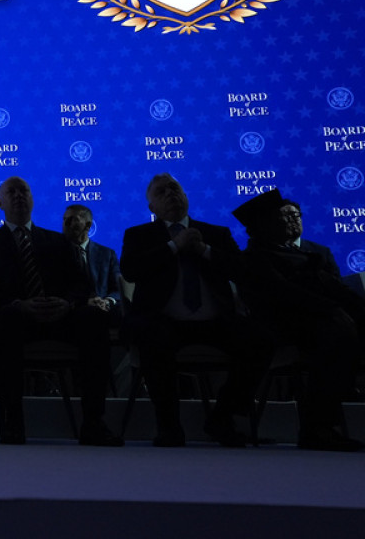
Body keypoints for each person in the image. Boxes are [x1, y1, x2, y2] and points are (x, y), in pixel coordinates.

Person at [120, 173, 273, 447]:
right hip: (163, 321)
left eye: (174, 188)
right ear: (151, 207)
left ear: (186, 197)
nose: (170, 194)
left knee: (261, 339)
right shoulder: (138, 235)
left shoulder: (216, 233)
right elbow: (131, 270)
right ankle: (169, 427)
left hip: (214, 322)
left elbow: (242, 271)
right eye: (161, 192)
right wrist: (174, 246)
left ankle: (222, 417)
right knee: (153, 339)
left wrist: (204, 249)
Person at [0, 176, 122, 446]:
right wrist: (19, 304)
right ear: (0, 203)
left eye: (24, 191)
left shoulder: (57, 241)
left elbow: (80, 284)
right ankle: (12, 422)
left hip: (58, 318)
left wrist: (67, 304)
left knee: (93, 318)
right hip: (15, 320)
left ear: (33, 199)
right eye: (11, 192)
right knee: (6, 319)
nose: (19, 196)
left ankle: (93, 422)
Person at [233, 189, 364, 451]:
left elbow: (336, 289)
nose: (290, 222)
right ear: (263, 225)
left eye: (293, 216)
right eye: (280, 217)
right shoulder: (254, 259)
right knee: (335, 334)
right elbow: (286, 294)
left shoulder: (306, 256)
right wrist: (332, 309)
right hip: (283, 330)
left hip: (320, 323)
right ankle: (318, 428)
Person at [62, 204, 123, 323]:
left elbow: (118, 288)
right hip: (73, 311)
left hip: (106, 309)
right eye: (64, 219)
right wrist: (85, 302)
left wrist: (108, 301)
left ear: (88, 225)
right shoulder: (55, 252)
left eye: (73, 219)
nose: (66, 224)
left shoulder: (107, 254)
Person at [280, 199, 342, 278]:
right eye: (286, 216)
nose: (292, 220)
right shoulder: (270, 254)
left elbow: (337, 283)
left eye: (295, 215)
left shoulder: (322, 252)